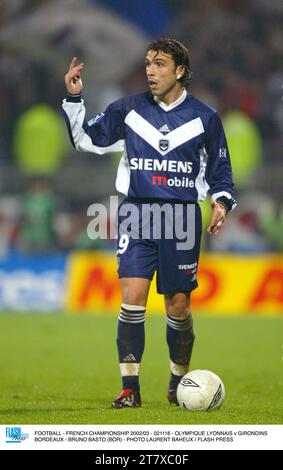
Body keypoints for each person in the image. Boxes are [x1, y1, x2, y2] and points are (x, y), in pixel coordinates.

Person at [62, 37, 236, 408]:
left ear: (180, 71)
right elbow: (86, 140)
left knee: (178, 305)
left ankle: (177, 381)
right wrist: (75, 99)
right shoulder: (128, 110)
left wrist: (220, 202)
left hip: (182, 219)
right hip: (137, 214)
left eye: (159, 64)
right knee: (132, 297)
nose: (150, 71)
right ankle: (130, 389)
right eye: (147, 63)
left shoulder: (205, 118)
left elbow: (221, 171)